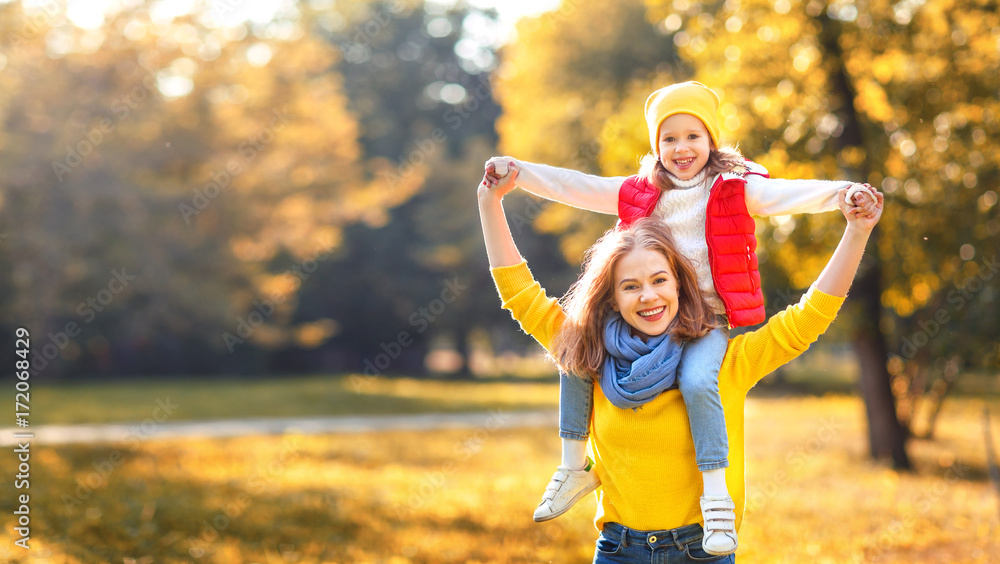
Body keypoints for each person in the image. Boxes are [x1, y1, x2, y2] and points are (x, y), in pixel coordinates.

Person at [483, 81, 877, 554]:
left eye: (693, 136)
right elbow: (577, 188)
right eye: (668, 139)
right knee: (575, 351)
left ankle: (717, 501)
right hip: (618, 549)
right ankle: (573, 467)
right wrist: (511, 181)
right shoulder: (637, 200)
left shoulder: (733, 190)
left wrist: (845, 201)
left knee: (695, 383)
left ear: (712, 140)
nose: (681, 147)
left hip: (706, 325)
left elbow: (786, 207)